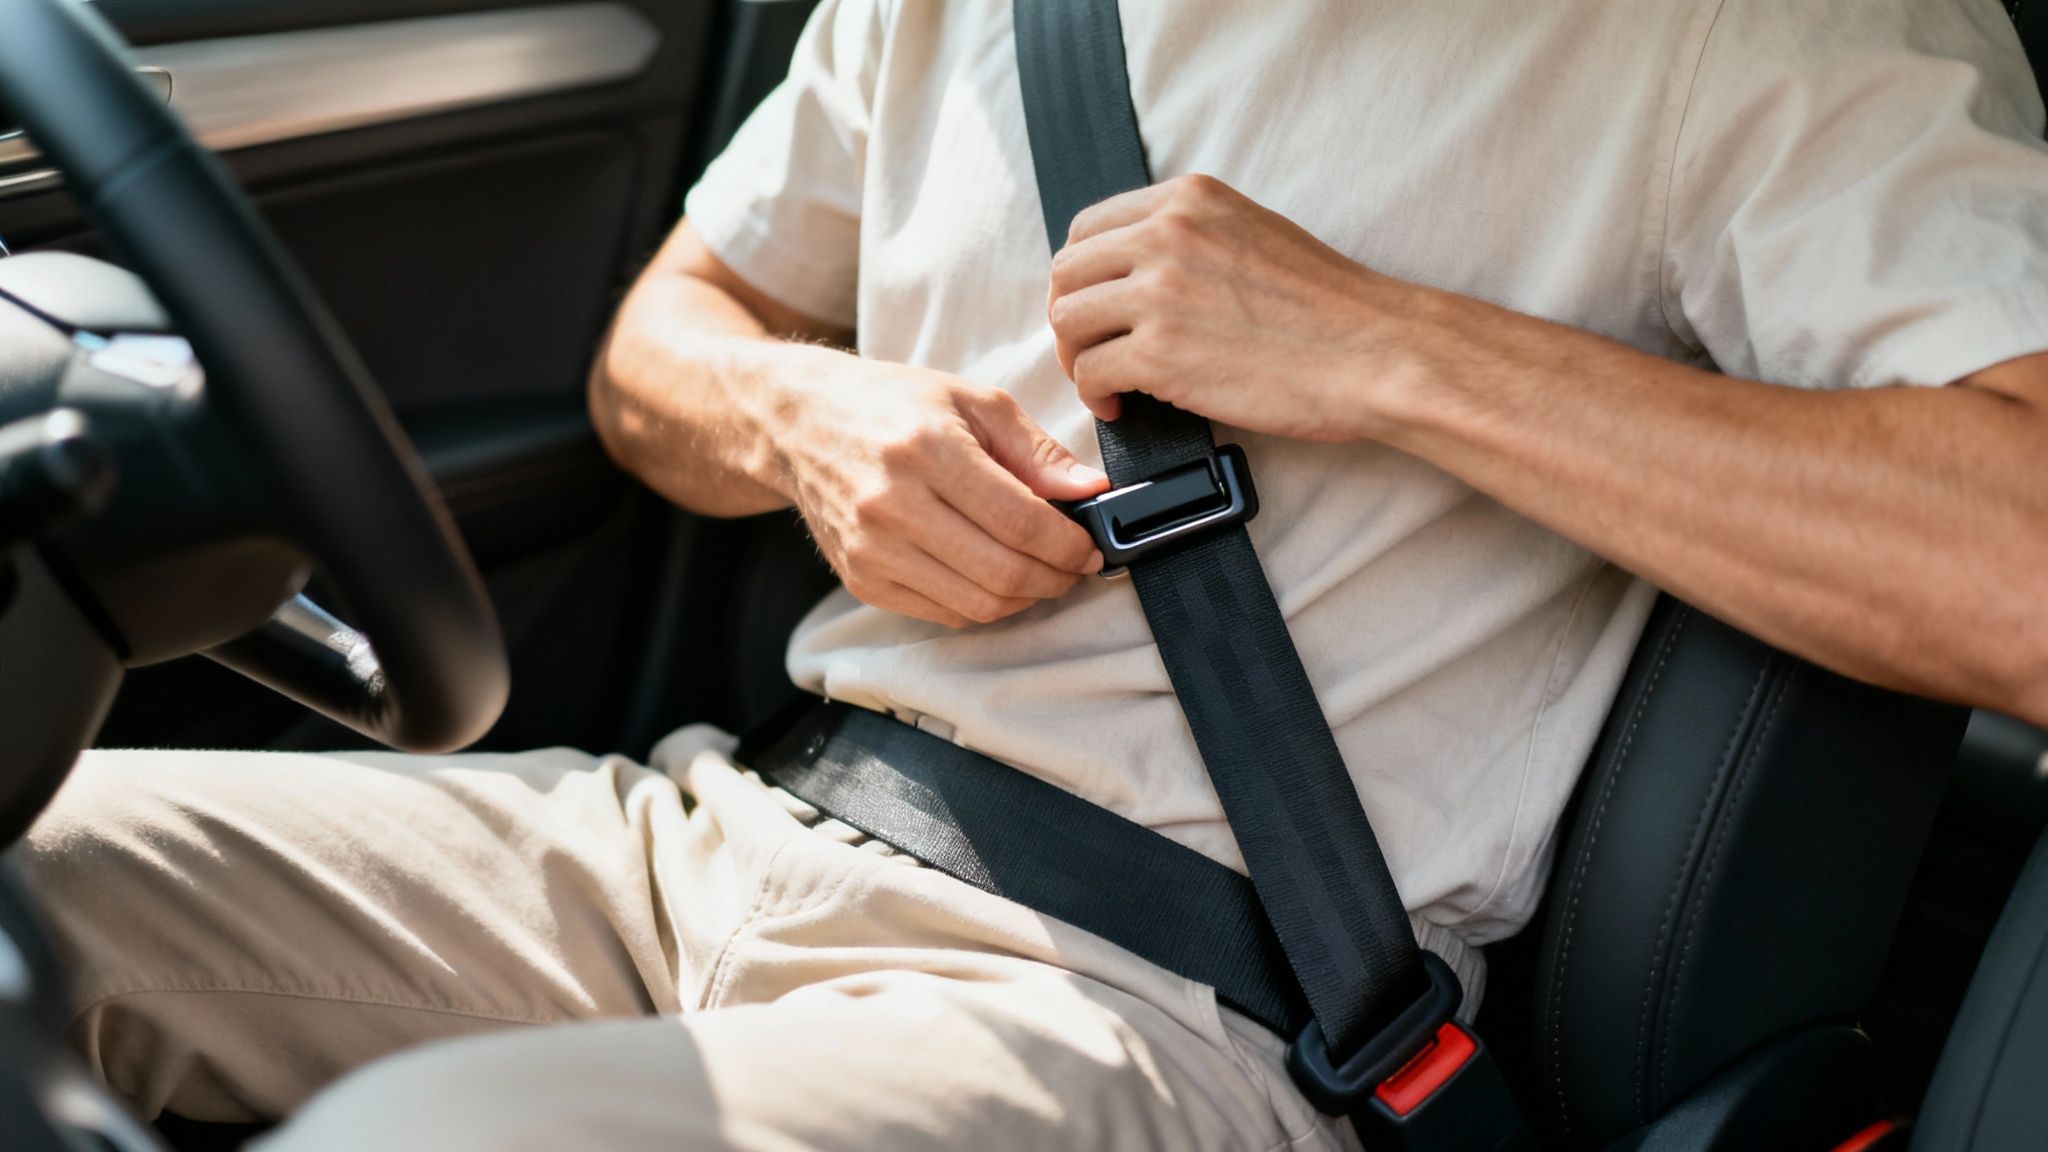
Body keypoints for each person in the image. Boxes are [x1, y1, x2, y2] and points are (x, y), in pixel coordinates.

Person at [20, 1, 2048, 1149]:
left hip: (1165, 1005)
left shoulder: (1753, 35)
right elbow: (665, 348)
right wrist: (800, 423)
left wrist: (1393, 351)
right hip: (713, 834)